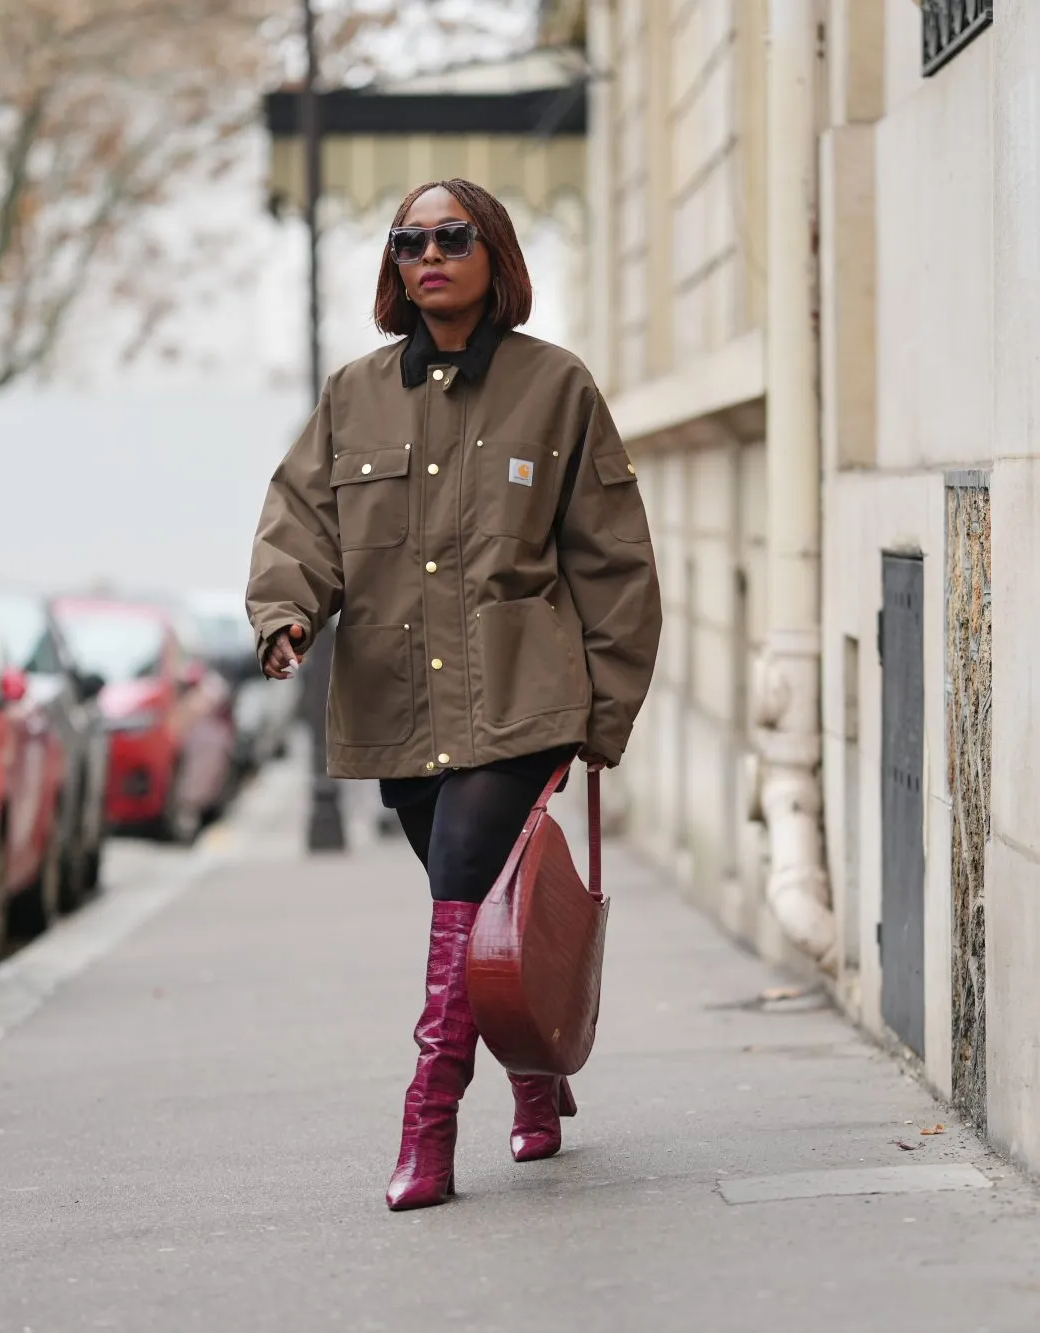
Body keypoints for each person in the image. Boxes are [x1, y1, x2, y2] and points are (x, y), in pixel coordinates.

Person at [245, 178, 662, 1211]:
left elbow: (612, 564)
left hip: (522, 697)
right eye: (407, 241)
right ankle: (536, 1076)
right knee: (475, 912)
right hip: (399, 706)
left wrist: (601, 717)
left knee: (460, 893)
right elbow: (302, 524)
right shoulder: (353, 396)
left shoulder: (556, 388)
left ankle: (427, 1118)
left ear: (494, 255)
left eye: (451, 237)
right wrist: (285, 613)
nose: (427, 255)